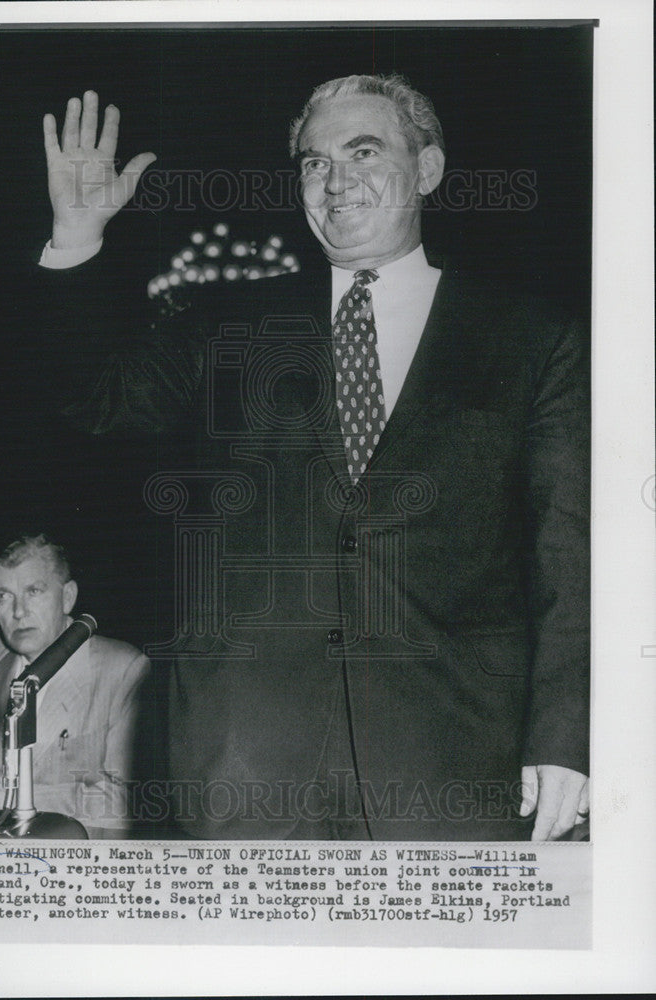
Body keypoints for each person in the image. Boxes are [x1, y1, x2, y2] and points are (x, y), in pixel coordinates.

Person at [34, 74, 589, 841]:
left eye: (364, 151)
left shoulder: (532, 338)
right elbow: (94, 398)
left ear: (426, 170)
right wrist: (78, 238)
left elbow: (573, 553)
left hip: (453, 762)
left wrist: (566, 738)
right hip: (242, 763)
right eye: (313, 162)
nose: (335, 180)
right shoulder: (224, 321)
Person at [0, 533, 150, 834]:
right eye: (3, 596)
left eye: (33, 591)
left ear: (68, 597)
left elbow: (130, 801)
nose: (18, 612)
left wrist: (15, 796)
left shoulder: (124, 668)